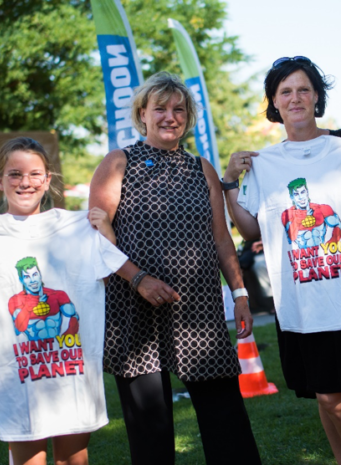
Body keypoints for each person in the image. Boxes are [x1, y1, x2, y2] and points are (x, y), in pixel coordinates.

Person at [222, 56, 341, 465]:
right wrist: (230, 181)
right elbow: (250, 231)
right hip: (299, 302)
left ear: (317, 96)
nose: (295, 98)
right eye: (285, 91)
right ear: (274, 102)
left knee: (334, 394)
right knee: (324, 394)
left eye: (303, 89)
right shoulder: (265, 164)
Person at [89, 72, 261, 465]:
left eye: (179, 109)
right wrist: (139, 279)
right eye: (160, 108)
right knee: (151, 430)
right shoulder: (118, 162)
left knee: (226, 420)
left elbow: (222, 239)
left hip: (199, 311)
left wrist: (239, 294)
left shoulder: (202, 168)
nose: (170, 116)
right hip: (135, 309)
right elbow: (95, 237)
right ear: (142, 114)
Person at [0, 137, 128, 465]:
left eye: (34, 174)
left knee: (73, 461)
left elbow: (101, 282)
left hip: (72, 375)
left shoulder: (76, 227)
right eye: (14, 174)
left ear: (47, 180)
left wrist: (107, 237)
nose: (25, 182)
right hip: (20, 383)